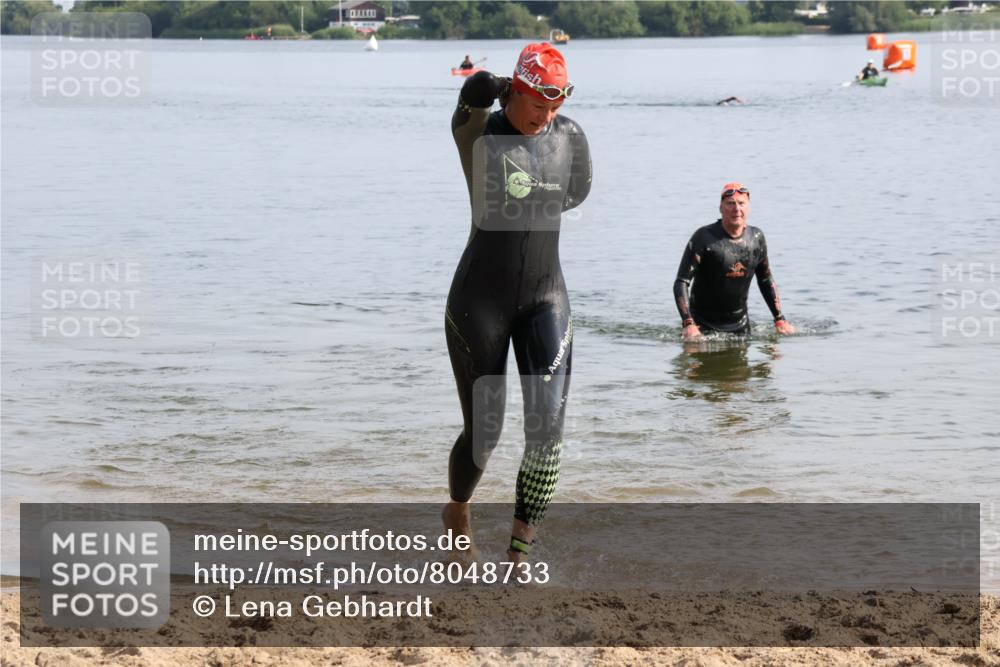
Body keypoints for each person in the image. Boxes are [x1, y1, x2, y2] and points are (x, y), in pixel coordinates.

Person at [444, 43, 591, 562]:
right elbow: (469, 99)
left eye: (553, 107)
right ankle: (458, 507)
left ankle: (517, 555)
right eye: (536, 106)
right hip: (479, 299)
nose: (545, 117)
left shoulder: (569, 135)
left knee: (547, 429)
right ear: (516, 91)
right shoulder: (480, 135)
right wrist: (489, 85)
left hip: (546, 296)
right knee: (485, 434)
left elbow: (577, 192)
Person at [674, 183, 795, 340]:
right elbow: (681, 282)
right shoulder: (704, 238)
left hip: (741, 326)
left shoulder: (756, 238)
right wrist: (688, 323)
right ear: (721, 208)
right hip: (702, 327)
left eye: (741, 203)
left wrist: (779, 319)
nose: (736, 209)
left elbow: (765, 279)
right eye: (731, 203)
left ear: (748, 207)